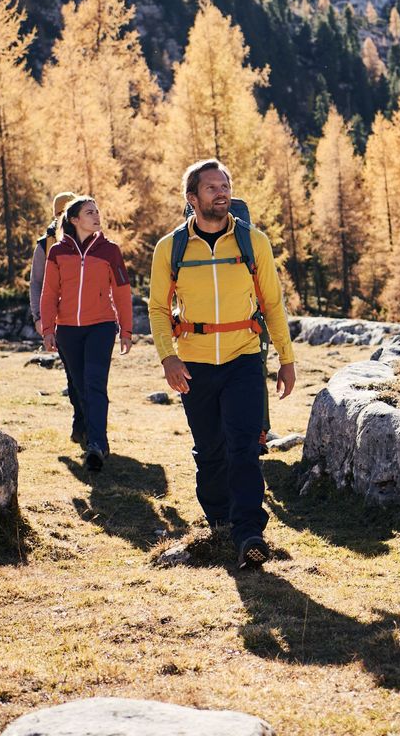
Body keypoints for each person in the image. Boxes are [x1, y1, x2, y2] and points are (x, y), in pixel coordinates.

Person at [148, 159, 296, 568]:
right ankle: (218, 522)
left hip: (243, 358)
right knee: (210, 451)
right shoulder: (170, 248)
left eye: (225, 185)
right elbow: (159, 308)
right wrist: (168, 357)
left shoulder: (253, 242)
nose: (221, 192)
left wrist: (286, 358)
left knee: (244, 446)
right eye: (211, 187)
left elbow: (273, 303)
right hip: (193, 364)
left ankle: (249, 531)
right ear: (192, 198)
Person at [40, 196, 134, 472]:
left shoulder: (110, 251)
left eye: (97, 211)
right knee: (80, 387)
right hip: (68, 330)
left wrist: (126, 330)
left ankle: (97, 444)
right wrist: (48, 328)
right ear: (74, 219)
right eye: (89, 212)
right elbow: (49, 293)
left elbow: (122, 291)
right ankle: (88, 434)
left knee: (94, 383)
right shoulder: (57, 252)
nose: (96, 216)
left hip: (101, 326)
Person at [29, 191, 87, 447]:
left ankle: (89, 426)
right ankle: (81, 422)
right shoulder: (46, 245)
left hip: (93, 319)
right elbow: (37, 284)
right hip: (63, 321)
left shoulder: (93, 241)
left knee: (91, 375)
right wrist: (40, 318)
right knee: (76, 375)